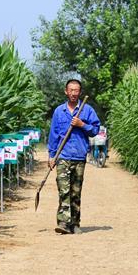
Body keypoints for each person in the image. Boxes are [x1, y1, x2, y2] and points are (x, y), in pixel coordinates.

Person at [47, 79, 100, 234]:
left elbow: (95, 130)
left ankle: (75, 223)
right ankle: (63, 223)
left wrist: (82, 124)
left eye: (76, 90)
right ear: (66, 91)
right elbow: (54, 135)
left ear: (80, 92)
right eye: (71, 90)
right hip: (62, 156)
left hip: (79, 155)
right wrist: (52, 156)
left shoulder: (87, 110)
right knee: (64, 190)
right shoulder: (59, 111)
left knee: (75, 192)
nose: (73, 93)